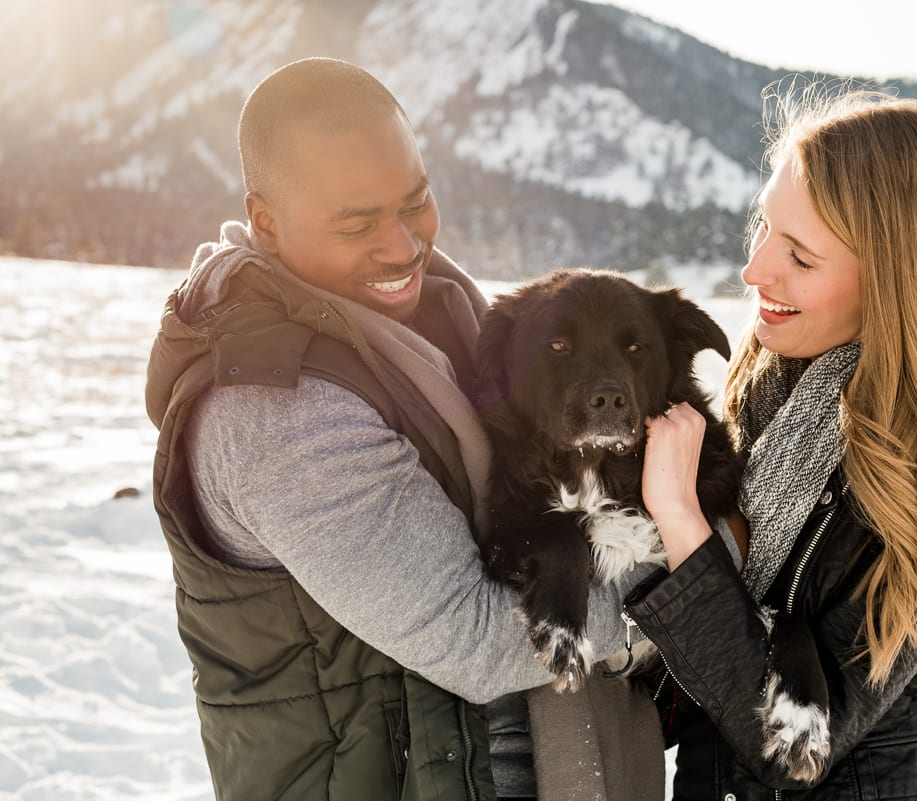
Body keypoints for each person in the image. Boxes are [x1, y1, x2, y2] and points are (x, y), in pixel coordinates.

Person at [144, 57, 666, 801]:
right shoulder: (275, 411)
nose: (401, 246)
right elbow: (476, 638)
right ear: (266, 220)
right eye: (357, 224)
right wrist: (680, 590)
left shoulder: (447, 316)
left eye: (415, 202)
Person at [631, 88, 917, 800]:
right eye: (764, 228)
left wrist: (681, 521)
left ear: (894, 281)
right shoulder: (770, 391)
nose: (755, 270)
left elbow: (788, 746)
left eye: (800, 256)